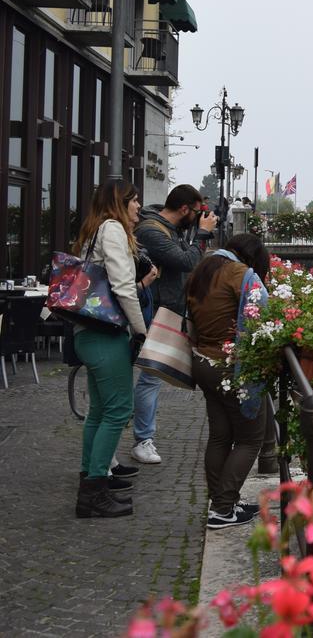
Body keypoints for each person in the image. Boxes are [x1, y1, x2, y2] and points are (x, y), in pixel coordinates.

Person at [72, 180, 158, 519]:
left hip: (89, 332)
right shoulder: (113, 230)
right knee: (118, 410)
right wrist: (141, 331)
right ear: (120, 204)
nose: (139, 206)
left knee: (99, 411)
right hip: (105, 334)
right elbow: (122, 287)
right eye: (134, 200)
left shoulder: (96, 229)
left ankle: (92, 480)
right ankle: (93, 491)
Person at [186, 233, 270, 529]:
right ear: (252, 257)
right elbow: (261, 321)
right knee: (250, 438)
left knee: (220, 435)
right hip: (230, 366)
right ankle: (223, 509)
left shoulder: (204, 269)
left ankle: (221, 502)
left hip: (202, 362)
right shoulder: (243, 275)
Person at [130, 184, 218, 465]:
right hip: (153, 311)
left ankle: (141, 437)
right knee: (149, 377)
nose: (199, 216)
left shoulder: (172, 229)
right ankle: (143, 439)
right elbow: (186, 261)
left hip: (165, 309)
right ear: (184, 209)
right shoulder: (152, 230)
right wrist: (202, 234)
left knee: (151, 377)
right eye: (197, 211)